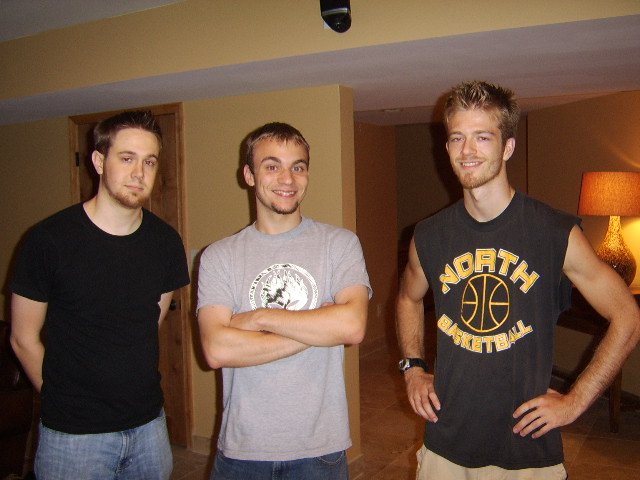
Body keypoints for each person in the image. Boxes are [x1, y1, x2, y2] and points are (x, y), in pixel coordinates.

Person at [396, 81, 640, 479]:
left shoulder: (554, 232)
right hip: (446, 441)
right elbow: (408, 298)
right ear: (446, 147)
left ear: (507, 147)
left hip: (528, 449)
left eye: (482, 137)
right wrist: (412, 367)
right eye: (457, 137)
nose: (467, 150)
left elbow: (627, 316)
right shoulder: (429, 236)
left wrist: (576, 400)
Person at [10, 110, 190, 480]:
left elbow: (148, 325)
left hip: (149, 428)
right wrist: (62, 400)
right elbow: (22, 338)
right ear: (98, 161)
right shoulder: (49, 240)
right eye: (127, 158)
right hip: (74, 437)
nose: (139, 173)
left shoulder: (166, 243)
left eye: (149, 161)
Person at [197, 122, 371, 480]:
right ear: (249, 175)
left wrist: (258, 318)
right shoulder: (219, 256)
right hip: (242, 450)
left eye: (298, 166)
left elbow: (352, 326)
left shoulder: (339, 244)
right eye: (272, 166)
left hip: (319, 449)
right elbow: (216, 349)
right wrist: (320, 326)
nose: (287, 179)